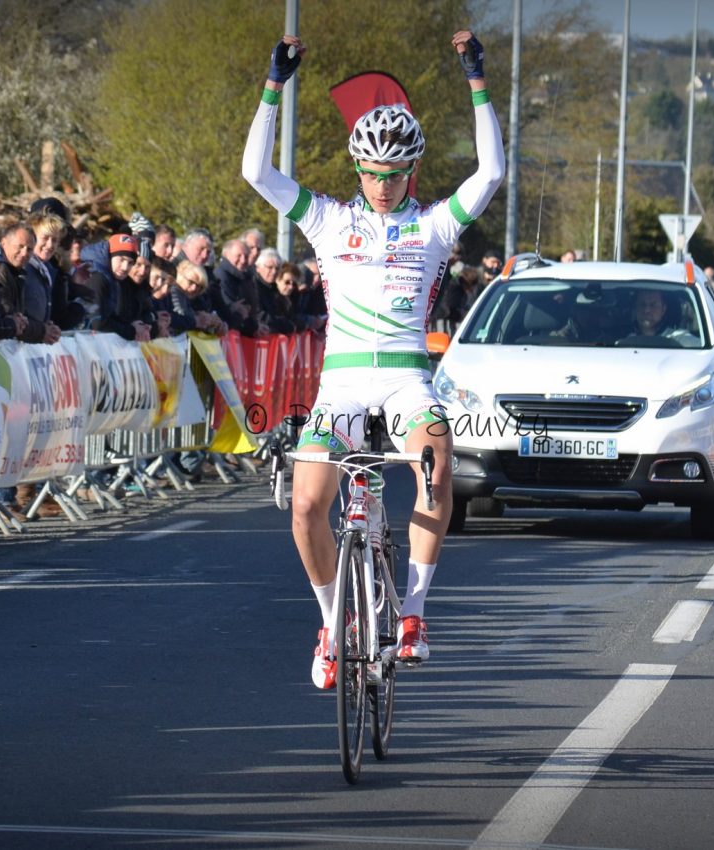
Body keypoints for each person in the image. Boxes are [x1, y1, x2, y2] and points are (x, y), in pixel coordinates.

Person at [243, 29, 504, 687]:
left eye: (393, 175)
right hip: (343, 385)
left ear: (410, 171)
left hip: (408, 382)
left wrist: (477, 79)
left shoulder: (435, 225)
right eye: (371, 173)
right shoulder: (328, 220)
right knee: (306, 505)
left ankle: (412, 614)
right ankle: (332, 625)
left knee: (436, 465)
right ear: (356, 168)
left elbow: (493, 172)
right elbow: (255, 172)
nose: (381, 185)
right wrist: (275, 85)